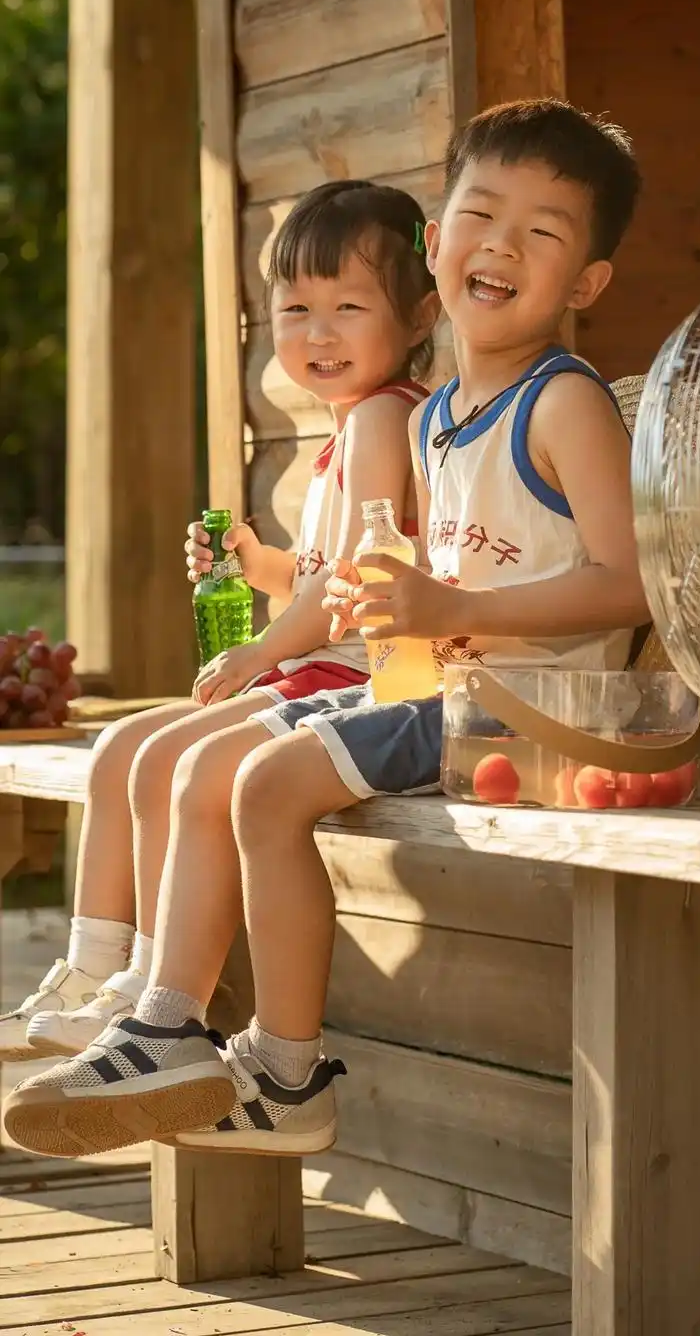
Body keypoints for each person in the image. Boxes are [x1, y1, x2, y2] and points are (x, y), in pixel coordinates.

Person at [3, 98, 650, 1162]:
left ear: (583, 283)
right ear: (434, 242)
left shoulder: (561, 404)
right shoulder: (439, 416)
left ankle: (274, 1068)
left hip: (521, 715)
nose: (499, 246)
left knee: (261, 783)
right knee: (204, 766)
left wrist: (453, 613)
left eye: (539, 232)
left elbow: (627, 586)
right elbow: (426, 587)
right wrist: (377, 605)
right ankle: (163, 1018)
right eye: (479, 216)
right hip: (438, 690)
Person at [0, 180, 439, 1066]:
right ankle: (96, 972)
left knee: (165, 758)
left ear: (420, 315)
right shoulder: (349, 430)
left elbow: (349, 581)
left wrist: (258, 650)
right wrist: (256, 562)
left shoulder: (383, 417)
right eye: (296, 309)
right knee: (123, 748)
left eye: (349, 307)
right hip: (317, 667)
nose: (318, 333)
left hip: (357, 679)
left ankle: (149, 989)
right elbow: (311, 575)